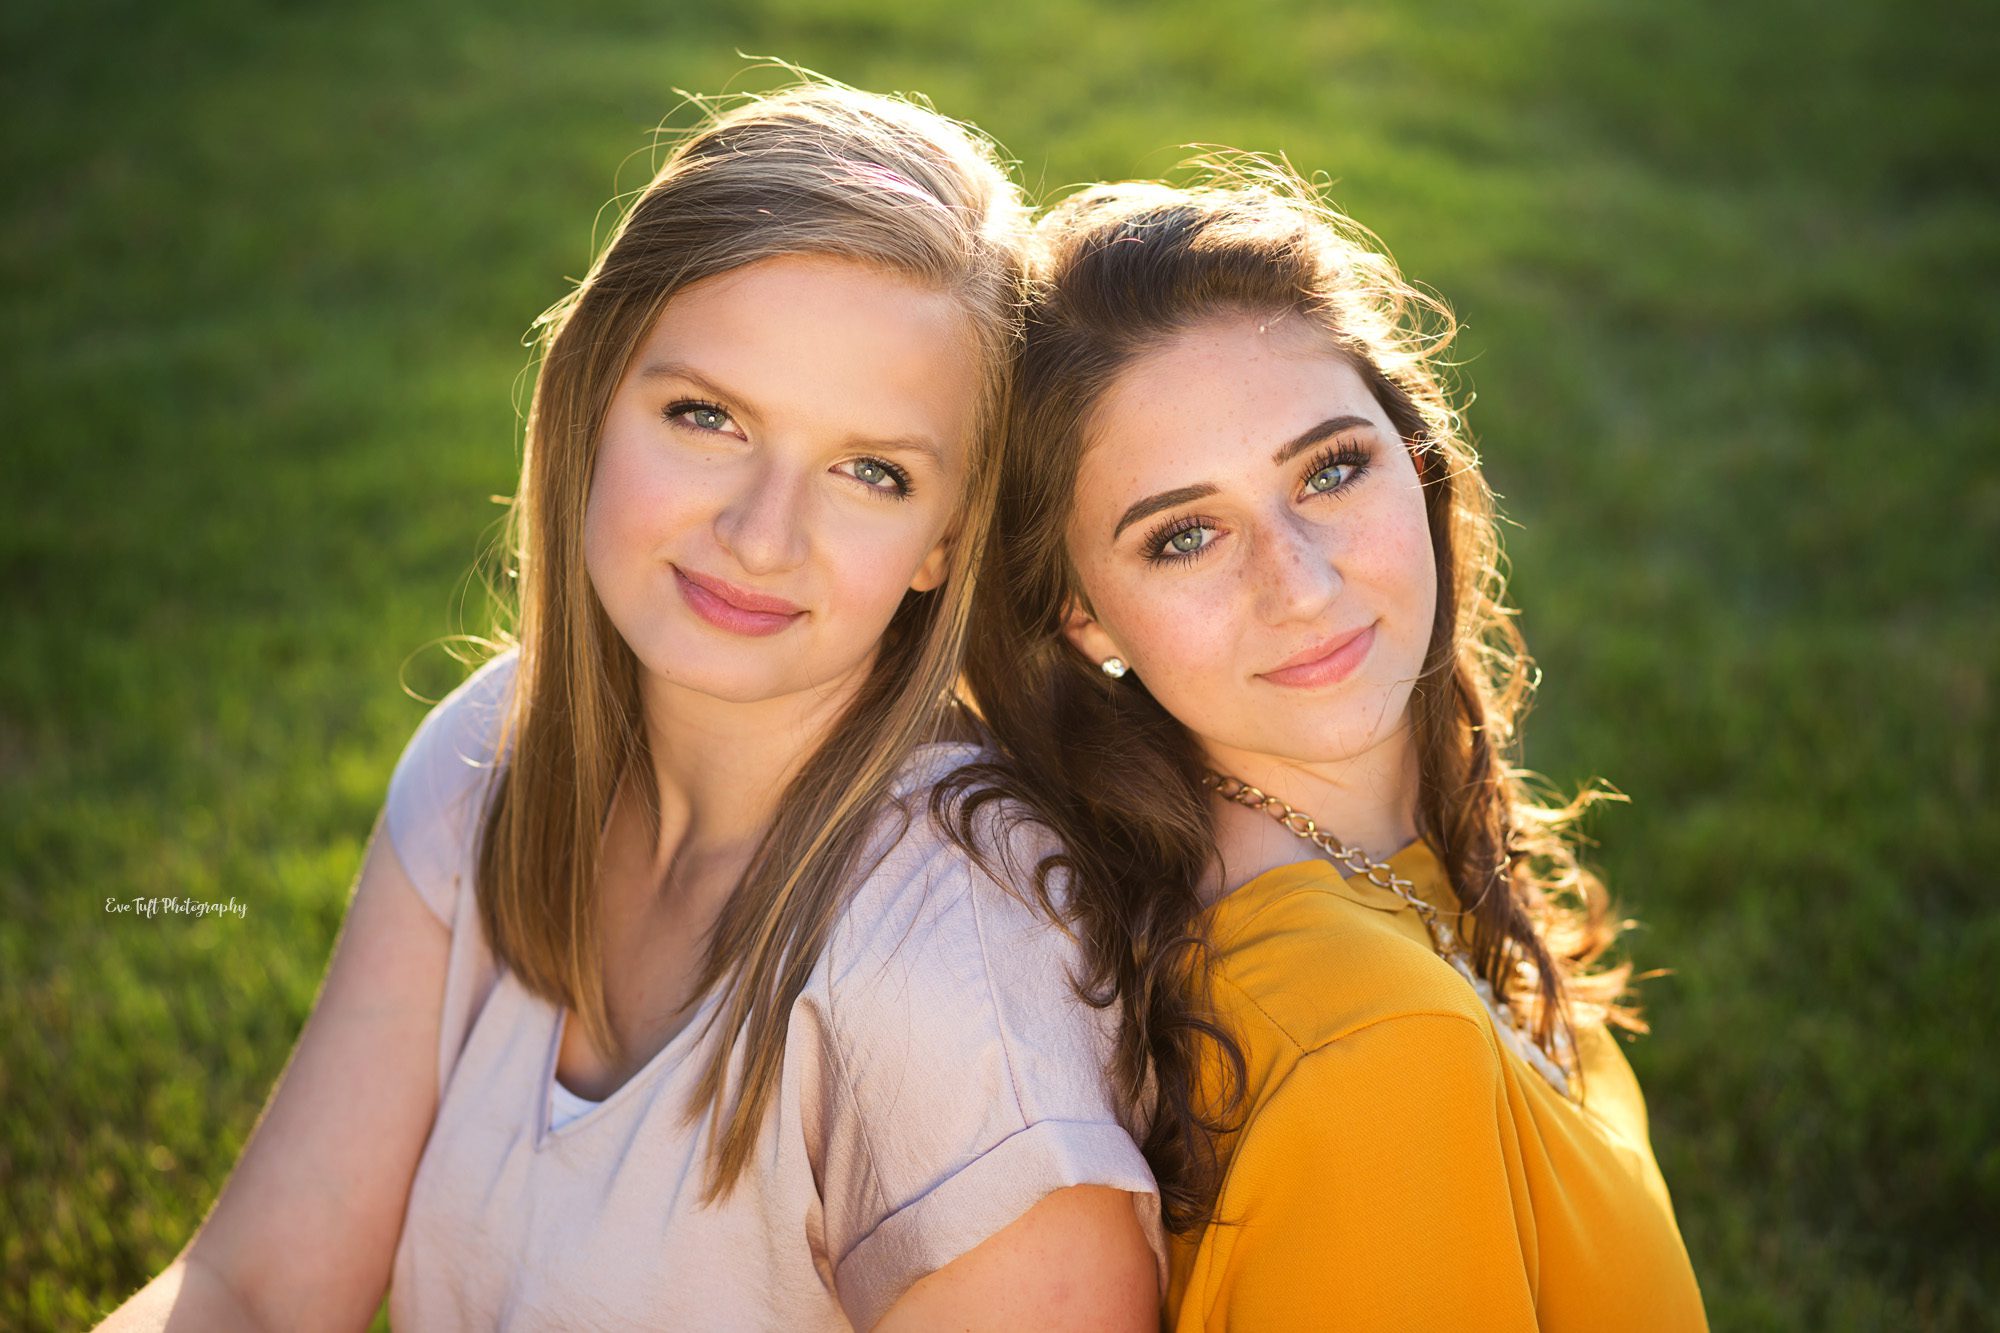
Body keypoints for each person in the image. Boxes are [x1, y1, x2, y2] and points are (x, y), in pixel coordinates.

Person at [97, 83, 1163, 1332]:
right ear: (592, 394)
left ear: (944, 537)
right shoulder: (494, 751)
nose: (762, 536)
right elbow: (255, 1289)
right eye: (707, 416)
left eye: (869, 472)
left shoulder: (956, 980)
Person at [944, 166, 1710, 1330]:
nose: (1298, 583)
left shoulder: (1373, 864)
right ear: (1081, 614)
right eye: (1184, 535)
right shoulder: (1369, 1047)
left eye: (1330, 468)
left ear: (1415, 455)